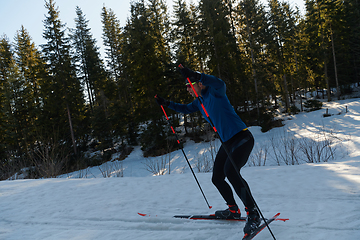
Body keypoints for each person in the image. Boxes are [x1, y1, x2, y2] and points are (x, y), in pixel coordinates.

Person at [155, 66, 261, 235]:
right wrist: (166, 104)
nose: (187, 89)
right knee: (217, 177)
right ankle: (233, 210)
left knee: (231, 173)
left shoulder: (215, 91)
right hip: (227, 142)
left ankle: (253, 214)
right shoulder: (199, 102)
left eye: (190, 85)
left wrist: (196, 75)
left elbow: (219, 82)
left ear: (199, 84)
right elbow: (185, 108)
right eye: (186, 86)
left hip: (242, 137)